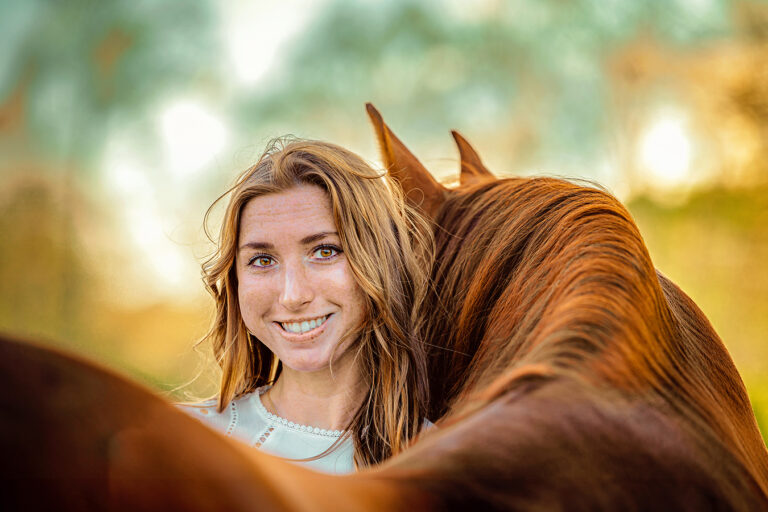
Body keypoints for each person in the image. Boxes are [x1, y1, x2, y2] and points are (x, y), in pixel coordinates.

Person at [179, 138, 433, 473]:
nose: (292, 296)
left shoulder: (445, 465)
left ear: (382, 263)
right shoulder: (177, 440)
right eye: (262, 259)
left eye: (325, 251)